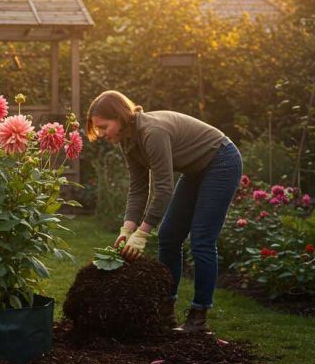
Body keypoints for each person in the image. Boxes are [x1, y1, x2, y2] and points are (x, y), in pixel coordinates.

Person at [85, 90, 242, 333]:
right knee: (169, 236)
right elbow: (138, 188)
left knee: (201, 240)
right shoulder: (128, 141)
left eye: (104, 126)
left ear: (119, 116)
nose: (102, 134)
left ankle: (199, 317)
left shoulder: (152, 132)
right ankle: (166, 309)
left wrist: (143, 232)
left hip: (221, 161)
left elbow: (163, 188)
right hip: (196, 169)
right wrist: (127, 229)